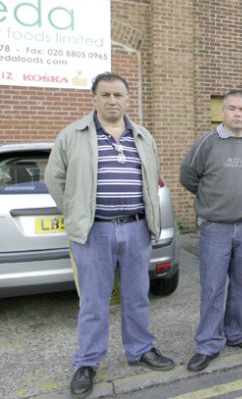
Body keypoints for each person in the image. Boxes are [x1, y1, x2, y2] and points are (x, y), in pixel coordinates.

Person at [45, 72, 174, 399]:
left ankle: (140, 349)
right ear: (94, 99)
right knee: (93, 301)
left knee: (137, 295)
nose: (112, 101)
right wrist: (77, 213)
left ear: (128, 99)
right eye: (105, 95)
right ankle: (87, 362)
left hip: (136, 228)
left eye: (118, 95)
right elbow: (54, 179)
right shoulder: (73, 135)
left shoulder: (143, 136)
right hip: (93, 232)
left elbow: (152, 177)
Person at [180, 90, 242, 372]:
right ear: (223, 112)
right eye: (232, 108)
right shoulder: (207, 144)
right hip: (215, 229)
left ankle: (237, 334)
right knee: (212, 287)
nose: (237, 114)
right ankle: (208, 343)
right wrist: (210, 202)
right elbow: (188, 176)